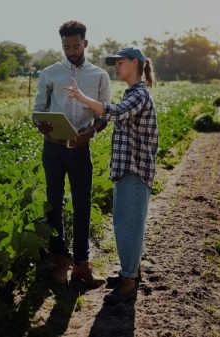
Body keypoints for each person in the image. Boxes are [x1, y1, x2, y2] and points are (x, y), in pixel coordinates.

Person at [65, 46, 158, 304]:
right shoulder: (133, 93)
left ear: (135, 64)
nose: (116, 67)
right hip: (126, 170)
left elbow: (115, 112)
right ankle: (131, 272)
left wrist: (83, 98)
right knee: (125, 223)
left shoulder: (139, 94)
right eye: (114, 63)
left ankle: (129, 281)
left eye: (120, 62)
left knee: (129, 226)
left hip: (135, 170)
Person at [32, 20, 111, 287]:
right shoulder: (50, 73)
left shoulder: (99, 75)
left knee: (82, 206)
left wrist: (90, 133)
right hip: (53, 148)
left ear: (85, 44)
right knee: (54, 204)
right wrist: (41, 125)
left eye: (76, 46)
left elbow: (104, 113)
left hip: (80, 149)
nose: (71, 51)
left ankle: (82, 265)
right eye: (66, 47)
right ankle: (60, 262)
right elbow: (37, 109)